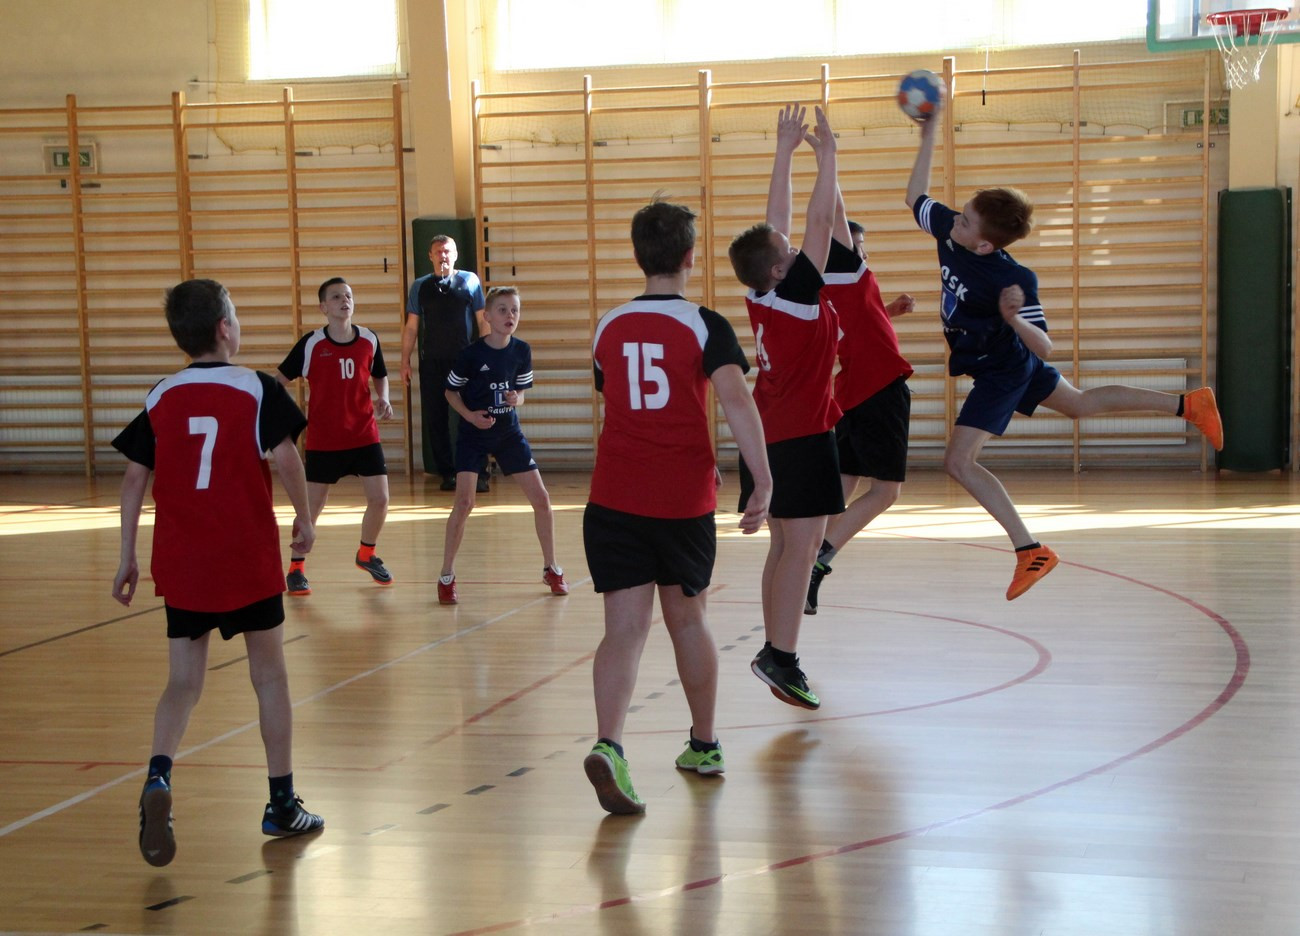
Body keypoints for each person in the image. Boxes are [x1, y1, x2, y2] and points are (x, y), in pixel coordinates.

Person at [904, 89, 1224, 600]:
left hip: (1004, 367)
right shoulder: (953, 233)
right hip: (998, 360)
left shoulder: (1013, 278)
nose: (952, 220)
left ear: (984, 243)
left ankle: (1030, 550)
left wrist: (1013, 318)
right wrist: (928, 133)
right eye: (959, 215)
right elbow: (914, 198)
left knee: (958, 462)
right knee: (1079, 404)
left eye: (963, 220)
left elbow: (1044, 346)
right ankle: (1188, 404)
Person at [110, 279, 325, 868]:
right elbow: (287, 458)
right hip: (245, 557)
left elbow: (134, 479)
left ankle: (158, 776)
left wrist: (127, 556)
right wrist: (305, 519)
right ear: (225, 328)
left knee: (183, 682)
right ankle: (282, 803)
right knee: (270, 677)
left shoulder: (162, 394)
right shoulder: (256, 387)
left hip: (184, 560)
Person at [583, 198, 771, 815]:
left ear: (639, 256)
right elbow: (738, 402)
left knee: (623, 630)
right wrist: (762, 479)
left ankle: (610, 744)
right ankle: (705, 744)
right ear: (691, 257)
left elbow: (618, 396)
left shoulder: (609, 325)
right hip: (681, 500)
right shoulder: (705, 324)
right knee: (688, 621)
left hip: (613, 496)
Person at [726, 104, 844, 711]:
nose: (796, 245)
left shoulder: (764, 291)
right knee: (801, 547)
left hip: (771, 433)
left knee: (784, 546)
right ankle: (783, 656)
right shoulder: (797, 295)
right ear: (780, 268)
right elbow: (818, 220)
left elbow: (776, 223)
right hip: (800, 436)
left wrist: (783, 150)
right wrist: (828, 160)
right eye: (788, 250)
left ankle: (776, 650)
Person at [805, 215, 915, 615]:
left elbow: (852, 324)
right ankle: (817, 561)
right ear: (843, 252)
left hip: (851, 391)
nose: (863, 254)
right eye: (858, 247)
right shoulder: (853, 275)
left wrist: (888, 311)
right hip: (879, 388)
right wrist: (827, 173)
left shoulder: (816, 291)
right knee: (886, 491)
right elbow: (832, 215)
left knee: (844, 481)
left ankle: (802, 554)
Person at [437, 286, 567, 605]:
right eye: (503, 309)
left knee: (541, 499)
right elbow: (450, 392)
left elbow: (521, 394)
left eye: (515, 310)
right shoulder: (471, 355)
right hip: (473, 435)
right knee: (464, 503)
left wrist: (515, 399)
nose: (510, 315)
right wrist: (470, 416)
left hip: (508, 434)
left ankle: (551, 568)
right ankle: (446, 576)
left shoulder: (521, 350)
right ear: (487, 316)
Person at [277, 277, 395, 596]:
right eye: (336, 297)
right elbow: (278, 381)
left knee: (381, 499)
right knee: (310, 509)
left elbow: (380, 374)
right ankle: (296, 568)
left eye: (348, 295)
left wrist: (384, 397)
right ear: (323, 307)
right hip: (324, 440)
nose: (344, 300)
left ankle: (366, 553)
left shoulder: (368, 338)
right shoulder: (312, 344)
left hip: (364, 434)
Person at [400, 234, 491, 492]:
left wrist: (486, 354)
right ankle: (447, 473)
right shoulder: (420, 286)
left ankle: (478, 472)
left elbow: (482, 320)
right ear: (430, 256)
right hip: (432, 362)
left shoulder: (470, 280)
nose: (443, 255)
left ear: (456, 254)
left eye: (447, 251)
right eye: (438, 251)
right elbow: (411, 327)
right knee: (436, 418)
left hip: (465, 361)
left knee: (472, 415)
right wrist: (405, 360)